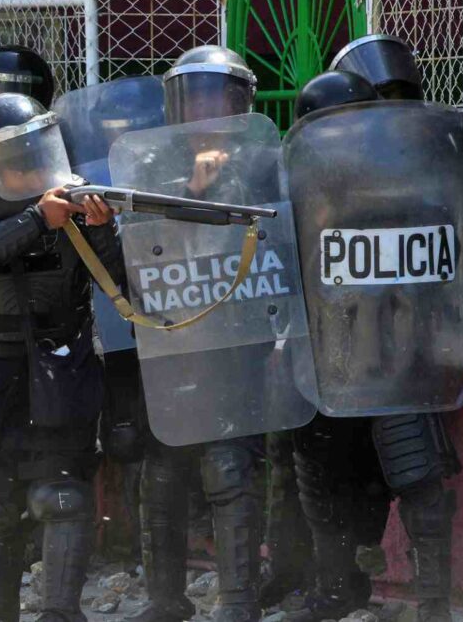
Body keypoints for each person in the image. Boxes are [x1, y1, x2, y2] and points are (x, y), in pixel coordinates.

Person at [286, 54, 463, 622]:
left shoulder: (398, 181)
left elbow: (441, 178)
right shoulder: (292, 187)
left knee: (420, 476)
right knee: (321, 481)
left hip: (398, 355)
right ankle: (337, 590)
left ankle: (433, 604)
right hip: (329, 358)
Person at [126, 46, 311, 622]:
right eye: (193, 97)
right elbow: (136, 241)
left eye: (216, 96)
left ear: (241, 100)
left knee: (230, 465)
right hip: (171, 336)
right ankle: (165, 599)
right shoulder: (152, 164)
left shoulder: (266, 161)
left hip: (238, 336)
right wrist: (195, 189)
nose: (204, 111)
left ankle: (237, 600)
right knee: (162, 470)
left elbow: (288, 235)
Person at [0, 92, 121, 622]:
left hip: (65, 363)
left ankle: (61, 612)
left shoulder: (75, 198)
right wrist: (37, 220)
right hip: (2, 368)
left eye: (30, 153)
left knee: (59, 493)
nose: (23, 168)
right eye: (10, 158)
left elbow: (119, 281)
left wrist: (99, 228)